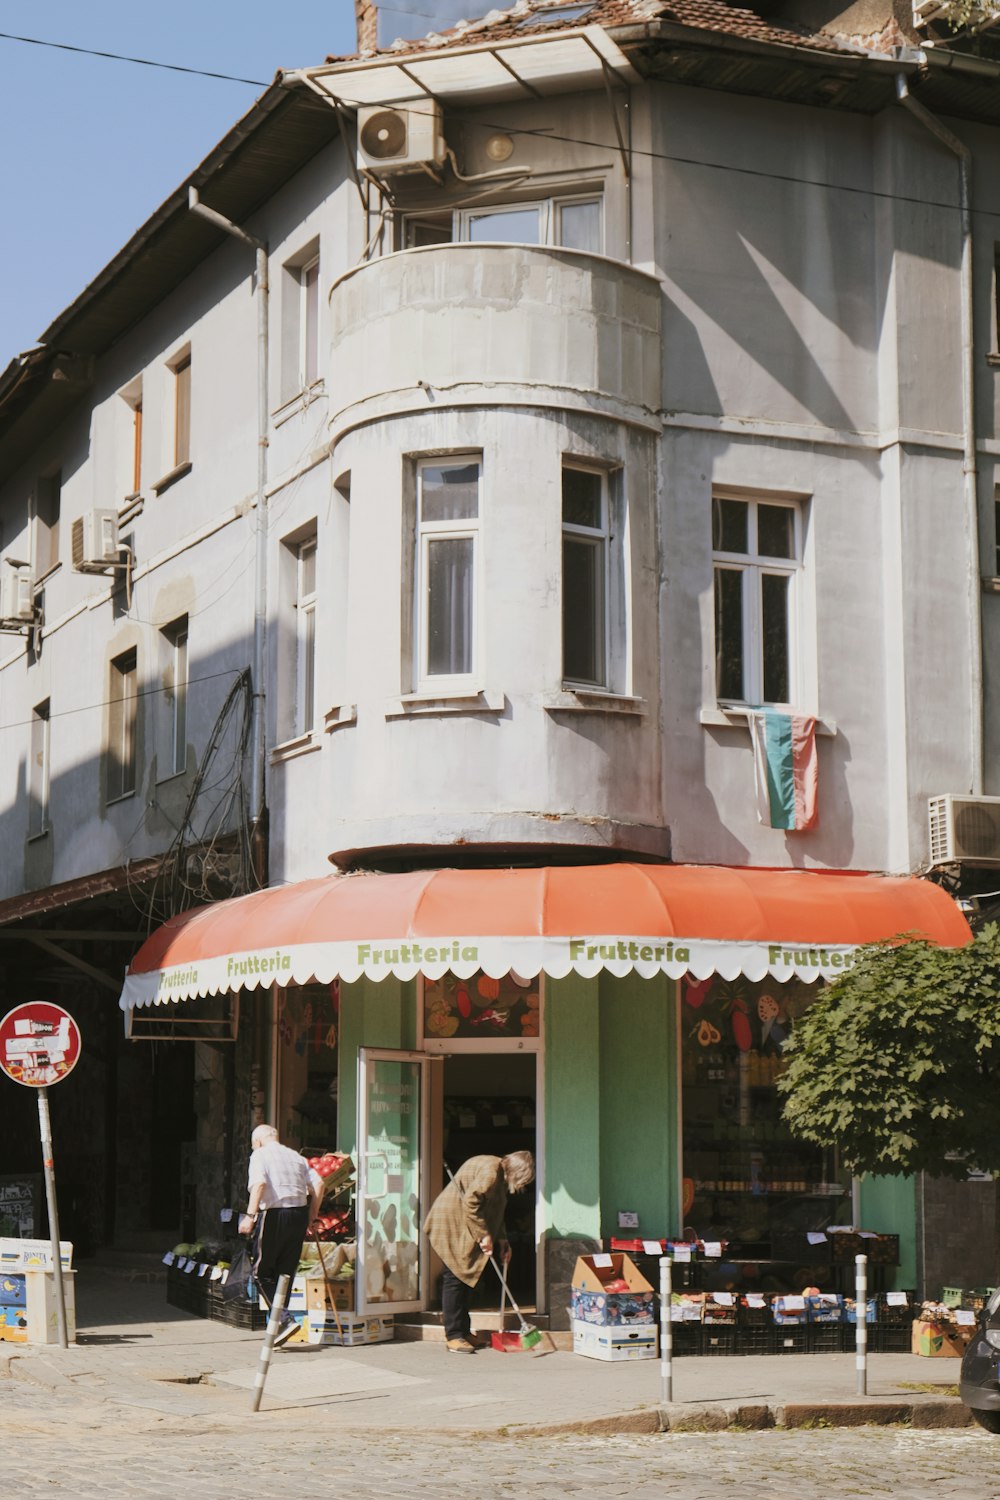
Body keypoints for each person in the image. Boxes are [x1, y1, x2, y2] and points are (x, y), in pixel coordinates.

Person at [423, 1150, 535, 1354]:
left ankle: (464, 1332)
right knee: (455, 1278)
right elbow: (471, 1203)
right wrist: (484, 1235)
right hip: (451, 1223)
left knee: (465, 1280)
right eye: (523, 1180)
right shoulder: (492, 1172)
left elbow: (496, 1211)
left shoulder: (499, 1175)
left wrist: (502, 1240)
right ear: (517, 1172)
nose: (521, 1186)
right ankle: (454, 1336)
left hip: (464, 1225)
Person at [238, 1124, 324, 1347]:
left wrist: (249, 1216)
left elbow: (259, 1184)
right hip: (298, 1215)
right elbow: (320, 1183)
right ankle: (279, 1325)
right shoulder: (295, 1156)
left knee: (260, 1273)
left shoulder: (260, 1155)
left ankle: (284, 1321)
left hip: (274, 1215)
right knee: (284, 1275)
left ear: (257, 1141)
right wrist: (312, 1216)